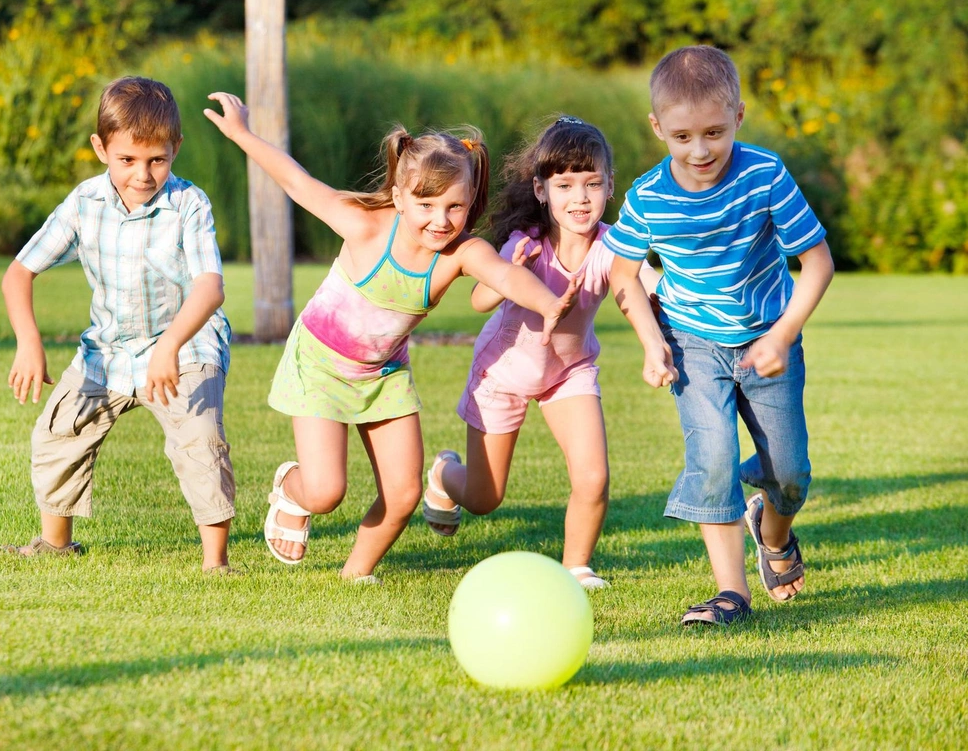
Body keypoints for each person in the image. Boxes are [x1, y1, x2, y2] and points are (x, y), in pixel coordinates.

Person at [204, 92, 579, 583]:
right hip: (319, 365)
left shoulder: (459, 254)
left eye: (455, 207)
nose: (440, 220)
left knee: (402, 494)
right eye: (425, 204)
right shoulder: (364, 226)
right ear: (400, 197)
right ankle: (294, 491)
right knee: (326, 491)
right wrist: (242, 134)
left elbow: (505, 276)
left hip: (383, 375)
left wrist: (549, 303)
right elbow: (297, 182)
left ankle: (354, 573)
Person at [603, 45, 834, 626]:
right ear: (658, 128)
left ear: (738, 117)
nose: (699, 150)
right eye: (682, 137)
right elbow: (622, 273)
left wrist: (783, 336)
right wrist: (653, 342)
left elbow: (818, 261)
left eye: (713, 132)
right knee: (711, 459)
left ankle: (773, 532)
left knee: (790, 472)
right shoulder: (648, 197)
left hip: (767, 340)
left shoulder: (764, 175)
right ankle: (732, 593)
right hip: (693, 345)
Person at [1, 76, 238, 574]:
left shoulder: (189, 205)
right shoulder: (84, 203)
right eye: (127, 159)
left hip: (185, 346)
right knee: (59, 431)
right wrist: (29, 341)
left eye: (157, 159)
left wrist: (172, 343)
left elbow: (210, 287)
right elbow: (19, 272)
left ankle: (215, 563)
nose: (143, 174)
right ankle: (55, 544)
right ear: (101, 148)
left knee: (199, 439)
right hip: (108, 351)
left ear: (176, 148)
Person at [423, 116, 660, 590]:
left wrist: (664, 328)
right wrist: (508, 271)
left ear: (610, 186)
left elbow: (642, 287)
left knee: (593, 477)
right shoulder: (525, 244)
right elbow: (479, 300)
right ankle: (443, 474)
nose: (580, 198)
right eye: (566, 185)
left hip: (568, 373)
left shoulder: (613, 245)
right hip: (503, 373)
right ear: (540, 189)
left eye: (592, 184)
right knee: (484, 498)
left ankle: (577, 567)